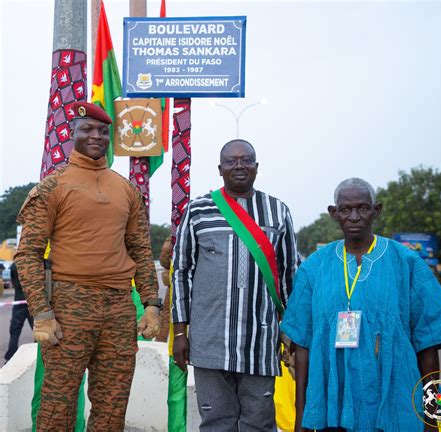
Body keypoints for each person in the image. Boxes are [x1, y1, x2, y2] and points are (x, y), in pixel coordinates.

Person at [15, 102, 161, 431]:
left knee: (113, 401)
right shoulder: (53, 187)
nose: (95, 135)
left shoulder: (126, 189)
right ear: (72, 135)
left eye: (102, 131)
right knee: (58, 401)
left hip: (119, 307)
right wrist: (41, 312)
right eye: (87, 129)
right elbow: (29, 253)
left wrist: (151, 304)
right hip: (68, 305)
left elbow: (139, 247)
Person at [281, 178, 441, 432]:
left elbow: (428, 344)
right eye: (345, 209)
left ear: (376, 210)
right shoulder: (314, 267)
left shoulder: (406, 263)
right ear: (334, 214)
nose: (354, 216)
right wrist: (302, 417)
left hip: (394, 400)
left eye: (362, 208)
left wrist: (432, 417)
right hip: (333, 404)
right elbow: (302, 347)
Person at [172, 139, 298, 431]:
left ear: (256, 167)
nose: (239, 165)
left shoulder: (278, 211)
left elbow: (290, 273)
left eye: (246, 160)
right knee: (217, 421)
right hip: (210, 339)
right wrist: (180, 331)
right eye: (231, 161)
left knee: (258, 421)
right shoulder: (198, 210)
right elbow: (181, 271)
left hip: (260, 339)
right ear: (220, 168)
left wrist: (292, 334)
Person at [4, 261, 33, 363]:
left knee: (15, 331)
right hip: (32, 300)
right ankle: (40, 356)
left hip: (19, 300)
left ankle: (10, 356)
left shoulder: (14, 265)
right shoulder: (32, 262)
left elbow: (14, 282)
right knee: (38, 330)